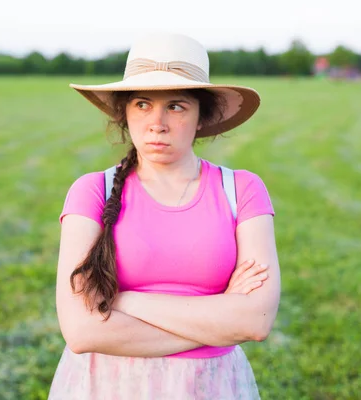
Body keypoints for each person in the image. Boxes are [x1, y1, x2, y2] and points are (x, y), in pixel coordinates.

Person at [49, 33, 281, 400]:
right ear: (124, 111)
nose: (157, 122)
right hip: (107, 386)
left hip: (209, 387)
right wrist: (219, 321)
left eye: (176, 106)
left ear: (202, 116)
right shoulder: (90, 191)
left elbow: (255, 320)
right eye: (142, 104)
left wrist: (124, 300)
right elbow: (82, 332)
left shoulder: (242, 190)